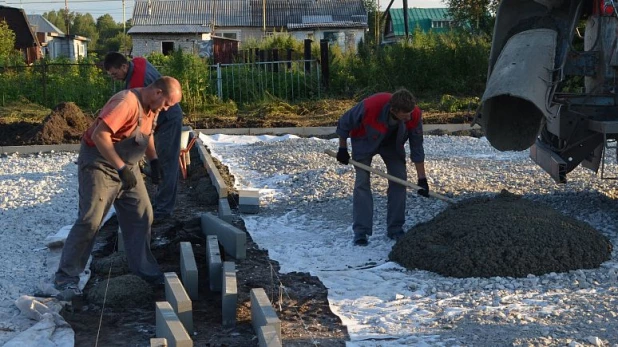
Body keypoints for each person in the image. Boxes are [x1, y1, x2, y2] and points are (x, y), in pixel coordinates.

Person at [54, 76, 183, 297]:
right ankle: (66, 278)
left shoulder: (152, 109)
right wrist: (121, 169)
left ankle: (143, 269)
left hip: (127, 165)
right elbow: (100, 135)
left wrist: (153, 161)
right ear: (158, 93)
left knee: (142, 214)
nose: (168, 108)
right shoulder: (126, 102)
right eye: (168, 103)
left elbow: (146, 135)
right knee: (91, 220)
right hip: (100, 164)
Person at [335, 88, 429, 246]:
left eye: (410, 112)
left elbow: (417, 147)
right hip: (365, 139)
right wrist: (342, 149)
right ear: (393, 110)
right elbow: (344, 122)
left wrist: (422, 179)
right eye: (405, 114)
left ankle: (395, 228)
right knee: (362, 183)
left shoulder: (414, 114)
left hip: (392, 144)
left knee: (399, 180)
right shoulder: (371, 106)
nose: (409, 117)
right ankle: (361, 232)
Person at [104, 52, 184, 221]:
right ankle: (159, 202)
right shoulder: (139, 61)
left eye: (115, 74)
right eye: (110, 75)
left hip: (169, 119)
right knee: (159, 161)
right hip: (164, 116)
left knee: (167, 163)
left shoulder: (137, 84)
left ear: (124, 66)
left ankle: (164, 209)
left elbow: (144, 122)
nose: (114, 78)